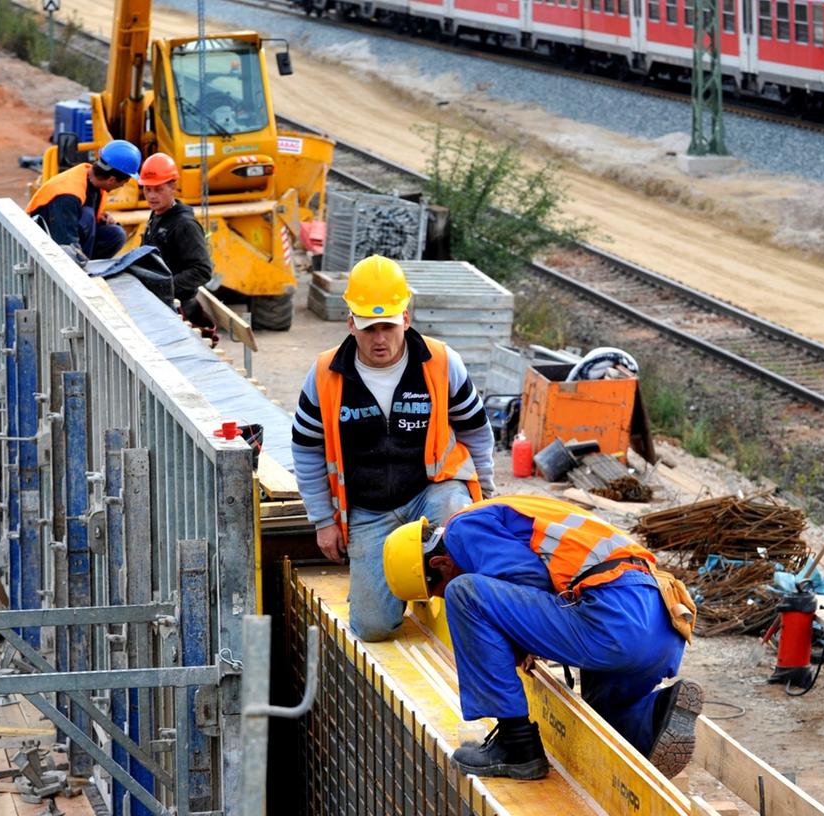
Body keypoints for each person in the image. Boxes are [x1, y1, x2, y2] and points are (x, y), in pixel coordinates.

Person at [381, 495, 702, 780]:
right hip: (661, 620)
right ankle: (653, 715)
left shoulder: (463, 530)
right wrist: (525, 626)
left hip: (614, 621)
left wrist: (517, 638)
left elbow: (526, 577)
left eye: (434, 591)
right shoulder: (509, 510)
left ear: (439, 563)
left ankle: (516, 745)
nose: (439, 600)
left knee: (464, 594)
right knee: (605, 724)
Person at [290, 255, 495, 642]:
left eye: (387, 326)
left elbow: (477, 432)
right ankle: (395, 583)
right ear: (350, 322)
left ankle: (468, 605)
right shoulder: (325, 374)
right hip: (369, 512)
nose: (379, 338)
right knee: (372, 628)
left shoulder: (440, 362)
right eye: (369, 328)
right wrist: (323, 521)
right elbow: (306, 450)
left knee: (464, 524)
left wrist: (487, 500)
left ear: (406, 317)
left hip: (431, 492)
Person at [135, 153, 215, 335]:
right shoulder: (157, 215)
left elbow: (202, 271)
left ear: (173, 187)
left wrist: (165, 286)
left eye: (158, 189)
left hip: (179, 308)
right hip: (160, 304)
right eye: (147, 190)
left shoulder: (184, 225)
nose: (152, 196)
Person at [26, 140, 140, 260]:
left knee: (116, 234)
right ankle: (81, 271)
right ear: (111, 180)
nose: (122, 186)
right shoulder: (67, 195)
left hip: (66, 233)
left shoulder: (93, 182)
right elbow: (66, 244)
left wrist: (101, 218)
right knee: (88, 217)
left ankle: (90, 267)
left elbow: (82, 212)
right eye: (124, 182)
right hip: (45, 247)